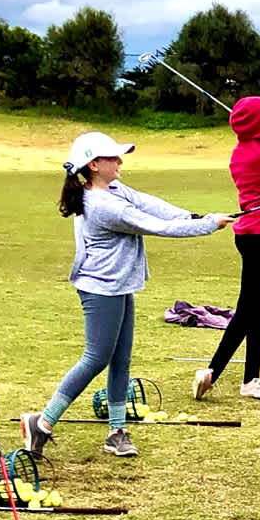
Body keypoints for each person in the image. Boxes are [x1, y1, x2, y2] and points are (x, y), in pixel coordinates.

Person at [22, 132, 233, 457]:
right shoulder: (103, 205)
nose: (120, 162)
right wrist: (206, 225)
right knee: (96, 358)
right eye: (112, 158)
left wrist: (193, 216)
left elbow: (152, 205)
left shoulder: (115, 190)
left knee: (121, 358)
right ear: (93, 165)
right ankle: (42, 422)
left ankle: (116, 432)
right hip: (100, 287)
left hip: (119, 284)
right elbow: (153, 225)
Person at [193, 96, 260, 401]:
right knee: (251, 311)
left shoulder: (240, 151)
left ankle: (248, 378)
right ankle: (217, 373)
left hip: (251, 236)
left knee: (258, 309)